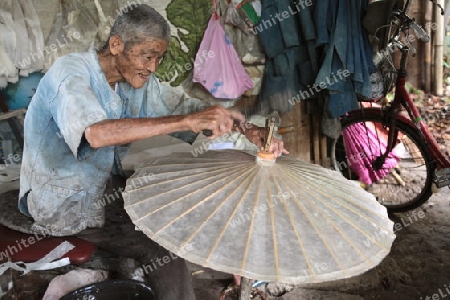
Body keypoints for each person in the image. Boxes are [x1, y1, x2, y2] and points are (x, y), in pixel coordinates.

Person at [17, 4, 287, 299]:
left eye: (158, 58)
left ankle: (125, 272)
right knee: (159, 243)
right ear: (117, 44)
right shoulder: (70, 73)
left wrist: (247, 129)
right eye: (147, 56)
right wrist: (186, 121)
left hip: (100, 187)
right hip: (61, 200)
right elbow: (96, 133)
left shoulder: (135, 84)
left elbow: (187, 108)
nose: (153, 67)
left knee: (170, 203)